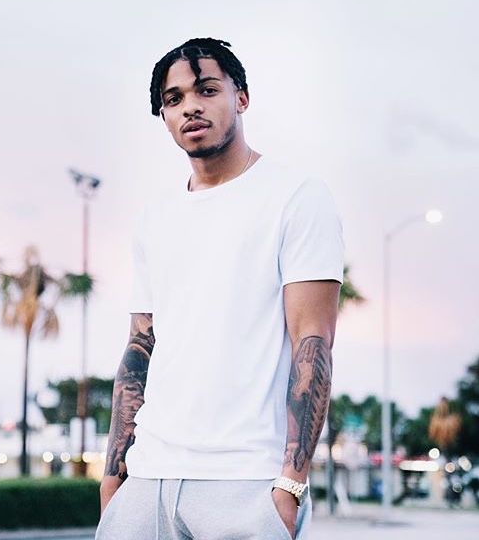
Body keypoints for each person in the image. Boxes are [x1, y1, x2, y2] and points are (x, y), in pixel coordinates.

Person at [96, 38, 344, 539]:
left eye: (207, 89)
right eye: (174, 99)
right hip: (146, 482)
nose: (190, 105)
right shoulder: (155, 219)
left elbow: (313, 342)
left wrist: (290, 485)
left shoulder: (296, 196)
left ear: (241, 97)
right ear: (165, 117)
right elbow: (138, 351)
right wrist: (113, 478)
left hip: (245, 485)